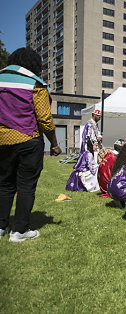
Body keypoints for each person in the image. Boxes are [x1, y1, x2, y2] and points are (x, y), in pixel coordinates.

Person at [0, 47, 62, 242]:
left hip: (2, 142)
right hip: (28, 140)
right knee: (26, 186)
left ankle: (1, 226)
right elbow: (44, 119)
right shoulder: (35, 84)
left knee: (4, 185)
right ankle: (19, 230)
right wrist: (54, 143)